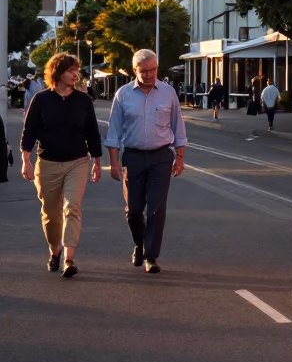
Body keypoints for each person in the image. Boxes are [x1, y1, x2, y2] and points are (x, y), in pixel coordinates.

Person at [19, 53, 103, 278]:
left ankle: (68, 258)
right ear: (57, 73)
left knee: (72, 207)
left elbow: (92, 132)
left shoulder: (83, 100)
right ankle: (54, 250)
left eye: (76, 70)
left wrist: (97, 161)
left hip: (77, 161)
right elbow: (29, 132)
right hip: (47, 163)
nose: (75, 74)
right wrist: (26, 160)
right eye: (69, 71)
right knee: (50, 214)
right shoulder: (41, 99)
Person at [105, 48, 187, 273]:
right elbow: (113, 132)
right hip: (132, 157)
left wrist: (179, 158)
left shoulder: (168, 93)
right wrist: (113, 163)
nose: (149, 75)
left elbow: (178, 128)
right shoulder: (123, 94)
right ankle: (139, 244)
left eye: (153, 70)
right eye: (144, 71)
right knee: (133, 210)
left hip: (161, 156)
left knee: (156, 208)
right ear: (135, 71)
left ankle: (151, 256)